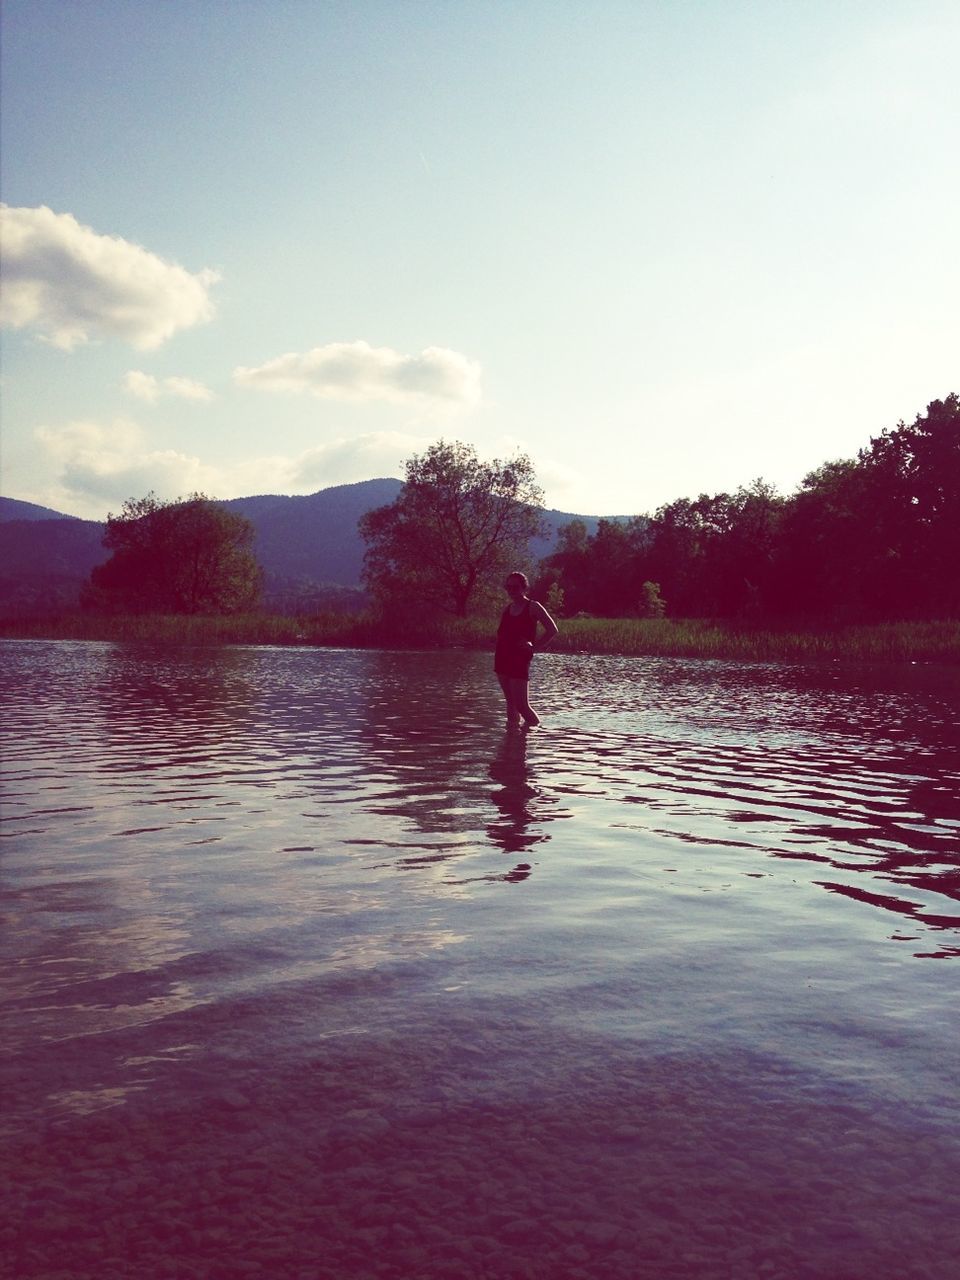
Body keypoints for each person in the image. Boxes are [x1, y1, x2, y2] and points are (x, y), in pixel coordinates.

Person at [494, 571, 559, 731]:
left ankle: (537, 733)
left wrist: (534, 647)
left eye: (515, 587)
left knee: (522, 705)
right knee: (510, 702)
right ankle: (512, 740)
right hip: (502, 658)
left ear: (524, 588)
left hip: (520, 659)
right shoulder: (507, 609)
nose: (511, 591)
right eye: (508, 587)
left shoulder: (533, 607)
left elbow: (552, 630)